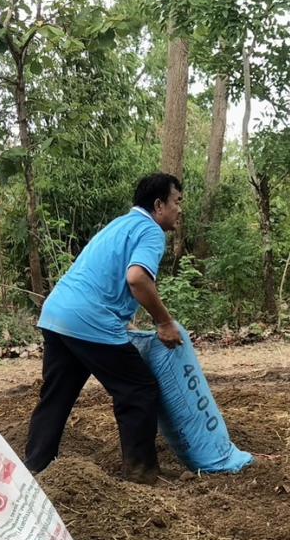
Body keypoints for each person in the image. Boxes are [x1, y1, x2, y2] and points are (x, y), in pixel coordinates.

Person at [24, 173, 184, 483]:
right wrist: (164, 322)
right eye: (176, 202)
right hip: (88, 320)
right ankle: (141, 473)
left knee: (57, 395)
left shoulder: (120, 225)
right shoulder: (151, 231)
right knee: (139, 389)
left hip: (57, 313)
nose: (179, 209)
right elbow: (137, 278)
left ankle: (35, 467)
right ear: (158, 205)